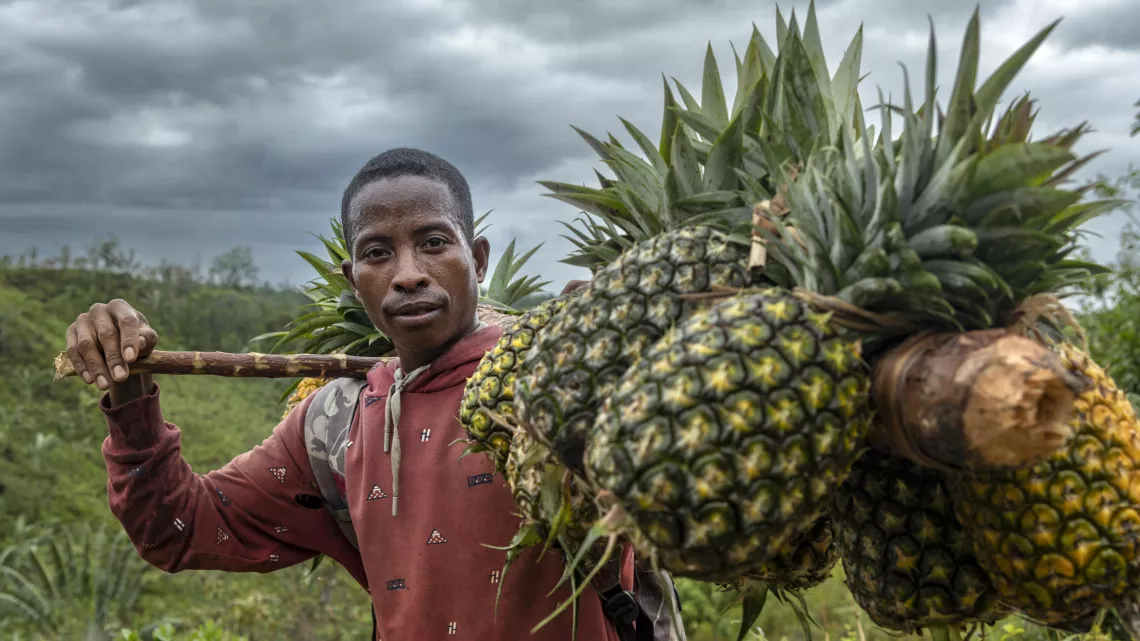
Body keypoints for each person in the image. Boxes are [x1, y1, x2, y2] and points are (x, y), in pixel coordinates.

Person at [67, 148, 682, 640]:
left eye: (435, 243)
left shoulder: (565, 374)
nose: (408, 272)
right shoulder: (333, 422)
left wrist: (631, 358)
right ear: (353, 279)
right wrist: (130, 399)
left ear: (479, 258)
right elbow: (179, 529)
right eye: (378, 253)